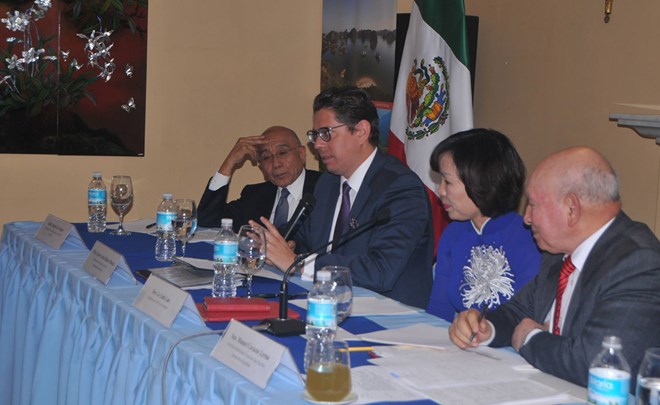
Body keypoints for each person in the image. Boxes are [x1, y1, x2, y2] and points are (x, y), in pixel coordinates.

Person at [448, 146, 660, 390]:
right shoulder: (558, 251)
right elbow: (518, 311)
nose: (526, 218)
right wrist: (484, 327)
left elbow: (595, 364)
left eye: (533, 205)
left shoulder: (638, 263)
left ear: (571, 209)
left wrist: (529, 337)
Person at [256, 86, 435, 308]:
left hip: (385, 313)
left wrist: (299, 264)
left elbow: (381, 270)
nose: (317, 144)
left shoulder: (401, 189)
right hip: (327, 304)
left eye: (326, 134)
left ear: (361, 131)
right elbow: (304, 236)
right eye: (315, 135)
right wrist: (275, 242)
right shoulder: (329, 182)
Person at [426, 128, 541, 322]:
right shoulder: (453, 233)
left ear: (481, 182)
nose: (441, 191)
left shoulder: (528, 238)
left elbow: (527, 316)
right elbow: (438, 311)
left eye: (448, 182)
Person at [197, 126, 320, 232]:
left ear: (301, 154)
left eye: (282, 153)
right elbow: (207, 222)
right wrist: (229, 163)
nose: (276, 164)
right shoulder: (254, 195)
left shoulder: (325, 187)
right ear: (261, 166)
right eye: (266, 157)